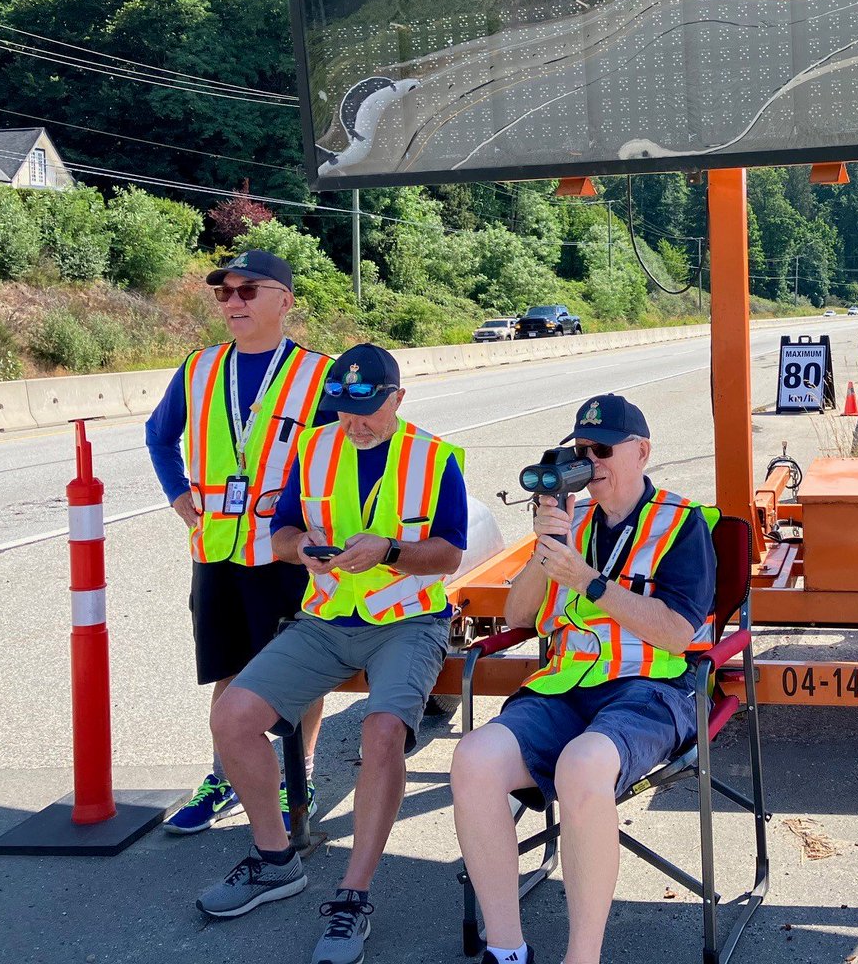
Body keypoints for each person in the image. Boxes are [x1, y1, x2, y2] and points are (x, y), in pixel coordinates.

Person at [197, 343, 468, 964]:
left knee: (382, 733)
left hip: (407, 622)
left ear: (398, 399)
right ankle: (275, 860)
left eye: (367, 410)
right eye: (344, 409)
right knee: (232, 719)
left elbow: (450, 554)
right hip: (323, 618)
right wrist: (299, 551)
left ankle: (353, 896)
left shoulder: (434, 457)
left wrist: (390, 551)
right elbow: (283, 532)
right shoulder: (314, 446)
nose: (354, 422)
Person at [451, 394, 716, 964]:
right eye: (581, 451)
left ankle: (582, 957)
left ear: (641, 452)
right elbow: (519, 616)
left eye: (603, 450)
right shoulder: (571, 523)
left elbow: (677, 633)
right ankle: (506, 949)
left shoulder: (681, 523)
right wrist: (543, 551)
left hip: (651, 688)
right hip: (564, 685)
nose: (590, 462)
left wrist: (589, 582)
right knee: (473, 759)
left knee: (583, 765)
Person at [145, 249, 332, 836]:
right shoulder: (199, 367)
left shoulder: (319, 375)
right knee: (228, 668)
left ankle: (298, 776)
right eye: (224, 292)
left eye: (247, 291)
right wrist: (178, 496)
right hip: (217, 550)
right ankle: (225, 776)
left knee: (298, 671)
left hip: (285, 551)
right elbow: (158, 436)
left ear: (285, 301)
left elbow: (345, 456)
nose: (233, 302)